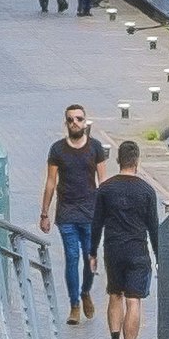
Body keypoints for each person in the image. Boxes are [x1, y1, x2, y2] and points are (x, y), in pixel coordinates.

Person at [89, 150, 164, 339]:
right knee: (133, 301)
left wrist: (92, 251)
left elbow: (96, 224)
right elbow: (153, 228)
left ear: (118, 160)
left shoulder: (106, 188)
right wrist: (160, 257)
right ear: (137, 161)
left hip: (113, 250)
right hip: (137, 251)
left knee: (115, 295)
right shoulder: (147, 190)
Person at [46, 108, 108, 309]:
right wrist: (44, 213)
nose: (75, 122)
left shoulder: (95, 147)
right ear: (66, 123)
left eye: (79, 119)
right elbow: (50, 182)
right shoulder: (57, 150)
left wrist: (107, 210)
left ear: (85, 122)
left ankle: (85, 291)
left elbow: (103, 181)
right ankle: (74, 304)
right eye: (70, 119)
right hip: (66, 214)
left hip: (91, 214)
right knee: (71, 258)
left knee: (90, 257)